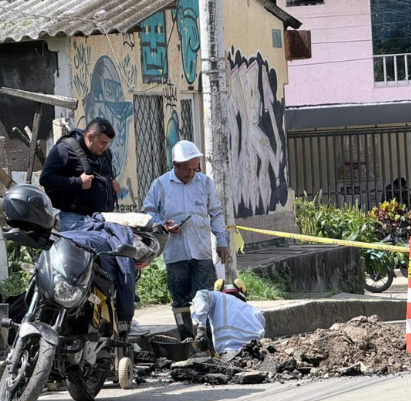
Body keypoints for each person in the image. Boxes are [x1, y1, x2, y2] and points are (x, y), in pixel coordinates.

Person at [142, 140, 228, 340]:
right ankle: (186, 338)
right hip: (175, 252)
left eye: (195, 168)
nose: (191, 173)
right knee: (180, 300)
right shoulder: (160, 184)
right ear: (176, 165)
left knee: (205, 295)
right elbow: (148, 212)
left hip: (201, 250)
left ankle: (204, 336)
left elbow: (215, 213)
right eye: (186, 169)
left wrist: (221, 240)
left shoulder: (205, 183)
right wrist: (164, 225)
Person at [39, 117, 121, 231]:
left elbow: (103, 177)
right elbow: (45, 179)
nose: (105, 147)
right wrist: (78, 182)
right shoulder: (65, 149)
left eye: (108, 143)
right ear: (90, 137)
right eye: (103, 143)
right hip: (75, 219)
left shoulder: (106, 153)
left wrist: (112, 185)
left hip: (103, 219)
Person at [191, 279, 266, 355]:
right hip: (256, 354)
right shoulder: (256, 311)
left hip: (230, 353)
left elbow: (201, 295)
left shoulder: (218, 296)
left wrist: (201, 328)